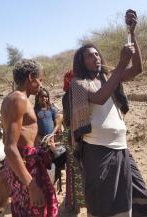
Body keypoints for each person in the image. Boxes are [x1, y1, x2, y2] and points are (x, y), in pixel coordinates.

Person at [69, 9, 147, 217]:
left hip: (121, 147)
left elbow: (137, 69)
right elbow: (99, 98)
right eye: (89, 56)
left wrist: (132, 34)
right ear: (82, 62)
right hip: (98, 150)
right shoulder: (79, 83)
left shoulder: (108, 77)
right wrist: (122, 63)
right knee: (104, 203)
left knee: (133, 196)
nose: (95, 58)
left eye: (97, 54)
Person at [1, 59, 58, 217]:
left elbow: (5, 139)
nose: (41, 84)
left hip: (23, 162)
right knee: (35, 210)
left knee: (26, 210)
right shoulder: (19, 100)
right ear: (31, 77)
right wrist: (31, 185)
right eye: (40, 79)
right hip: (25, 165)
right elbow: (9, 146)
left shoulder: (11, 99)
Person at [61, 69, 86, 212]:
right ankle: (78, 203)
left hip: (71, 133)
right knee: (79, 168)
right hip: (76, 134)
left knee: (74, 169)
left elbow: (66, 120)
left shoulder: (67, 96)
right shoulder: (75, 94)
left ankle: (74, 204)